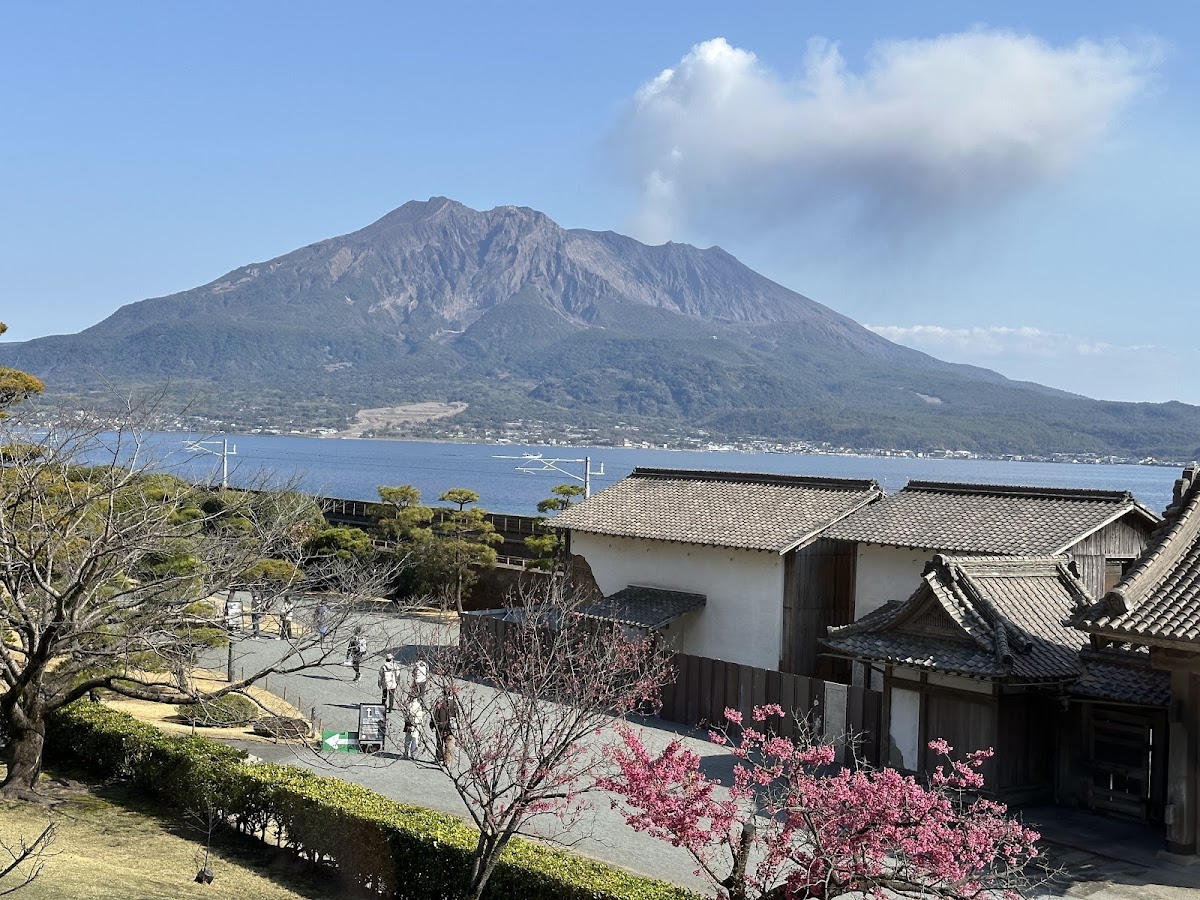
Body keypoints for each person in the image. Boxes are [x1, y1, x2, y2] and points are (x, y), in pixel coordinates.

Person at [432, 691, 459, 767]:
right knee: (448, 744)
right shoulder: (454, 703)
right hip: (450, 727)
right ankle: (447, 760)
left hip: (442, 726)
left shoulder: (440, 703)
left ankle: (441, 759)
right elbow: (457, 715)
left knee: (440, 743)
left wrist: (433, 723)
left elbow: (435, 714)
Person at [403, 693, 427, 760]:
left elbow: (406, 715)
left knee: (408, 739)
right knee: (415, 739)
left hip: (409, 724)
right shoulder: (419, 706)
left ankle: (406, 752)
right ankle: (413, 754)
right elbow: (421, 716)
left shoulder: (409, 705)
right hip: (417, 724)